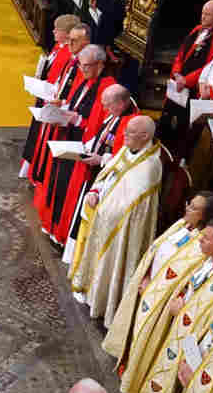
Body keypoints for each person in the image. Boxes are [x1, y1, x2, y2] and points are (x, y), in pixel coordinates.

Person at [126, 217, 213, 393]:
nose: (200, 239)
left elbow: (212, 316)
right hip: (178, 322)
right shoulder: (211, 258)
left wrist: (183, 311)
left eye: (206, 238)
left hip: (190, 341)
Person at [103, 192, 213, 389]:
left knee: (145, 339)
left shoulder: (202, 247)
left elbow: (187, 282)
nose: (187, 208)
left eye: (194, 208)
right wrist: (145, 275)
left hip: (161, 301)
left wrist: (153, 288)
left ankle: (133, 376)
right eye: (189, 203)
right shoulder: (181, 225)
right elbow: (157, 250)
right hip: (147, 286)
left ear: (206, 216)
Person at [68, 115, 161, 326]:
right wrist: (95, 190)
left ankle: (103, 303)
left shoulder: (150, 166)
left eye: (129, 132)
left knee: (113, 262)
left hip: (120, 229)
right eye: (125, 131)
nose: (124, 135)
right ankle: (91, 291)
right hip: (103, 215)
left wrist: (104, 210)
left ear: (145, 136)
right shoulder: (127, 151)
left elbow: (133, 207)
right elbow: (108, 176)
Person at [36, 42, 114, 243]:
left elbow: (98, 124)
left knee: (67, 190)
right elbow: (76, 103)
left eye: (86, 66)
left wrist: (77, 119)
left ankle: (60, 232)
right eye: (80, 65)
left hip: (80, 143)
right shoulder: (87, 79)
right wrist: (64, 107)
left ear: (99, 64)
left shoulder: (106, 87)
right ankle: (52, 226)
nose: (81, 70)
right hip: (68, 137)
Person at [58, 83, 136, 256]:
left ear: (122, 104)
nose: (105, 109)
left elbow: (126, 157)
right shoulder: (115, 115)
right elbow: (101, 135)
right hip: (95, 168)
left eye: (108, 105)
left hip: (107, 179)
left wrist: (101, 159)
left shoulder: (131, 123)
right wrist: (84, 148)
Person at [157, 0, 213, 158]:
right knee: (166, 119)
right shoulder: (197, 29)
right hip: (178, 85)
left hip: (193, 90)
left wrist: (187, 80)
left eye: (208, 14)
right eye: (203, 12)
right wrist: (177, 73)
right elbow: (181, 54)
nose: (203, 17)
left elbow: (209, 68)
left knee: (182, 127)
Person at [27, 21, 89, 190]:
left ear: (86, 43)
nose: (70, 44)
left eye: (75, 40)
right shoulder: (73, 59)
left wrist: (63, 103)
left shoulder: (83, 65)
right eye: (70, 39)